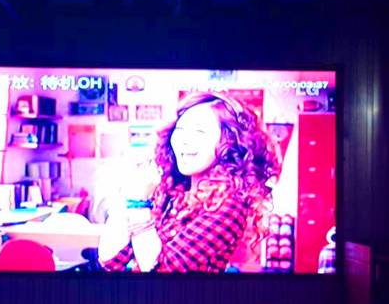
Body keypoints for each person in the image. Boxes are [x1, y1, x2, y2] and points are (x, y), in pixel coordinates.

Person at [99, 92, 279, 272]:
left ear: (229, 142)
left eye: (199, 131)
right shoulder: (174, 192)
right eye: (180, 129)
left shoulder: (230, 206)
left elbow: (160, 271)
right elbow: (110, 260)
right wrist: (130, 193)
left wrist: (139, 203)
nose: (183, 140)